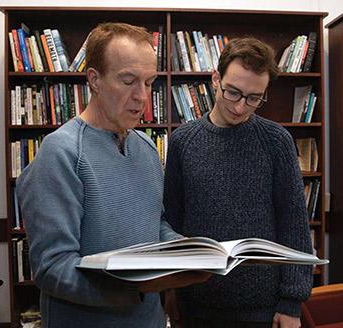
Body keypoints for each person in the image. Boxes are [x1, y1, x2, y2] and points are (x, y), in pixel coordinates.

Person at [16, 22, 210, 328]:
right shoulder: (61, 153)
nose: (142, 96)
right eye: (129, 81)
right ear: (94, 79)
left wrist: (185, 250)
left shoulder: (146, 147)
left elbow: (153, 224)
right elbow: (51, 267)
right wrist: (135, 287)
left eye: (149, 82)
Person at [163, 37, 313, 328]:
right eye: (233, 92)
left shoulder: (277, 142)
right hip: (194, 304)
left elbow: (294, 223)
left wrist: (291, 303)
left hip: (263, 308)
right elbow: (172, 220)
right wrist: (170, 286)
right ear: (215, 79)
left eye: (254, 98)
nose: (241, 107)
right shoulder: (183, 141)